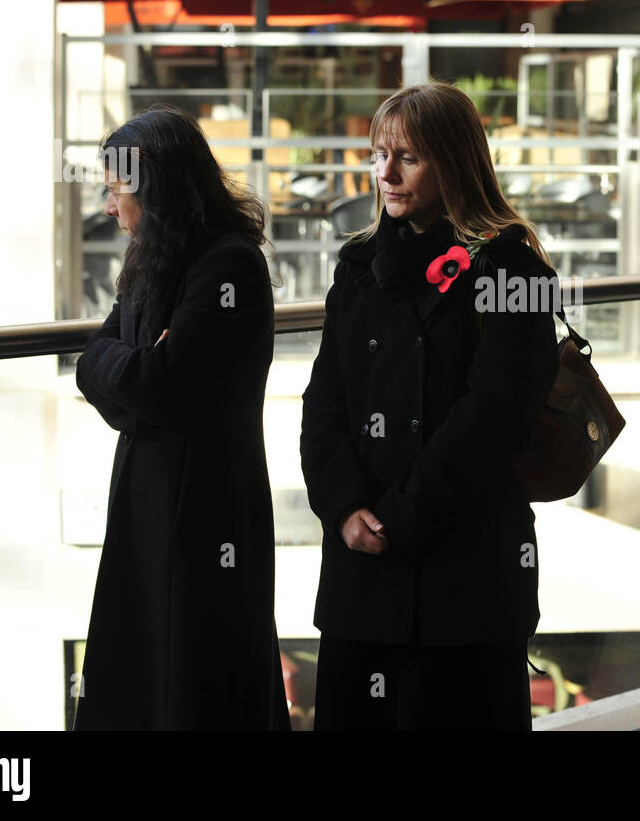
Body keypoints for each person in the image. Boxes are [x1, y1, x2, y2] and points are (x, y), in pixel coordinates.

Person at [301, 82, 559, 731]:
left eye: (407, 157)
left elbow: (496, 414)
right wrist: (344, 507)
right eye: (379, 154)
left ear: (453, 162)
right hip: (363, 574)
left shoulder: (511, 271)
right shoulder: (358, 266)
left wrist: (395, 517)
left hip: (462, 576)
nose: (385, 173)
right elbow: (323, 400)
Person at [74, 104, 289, 730]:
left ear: (156, 188)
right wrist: (137, 371)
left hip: (205, 506)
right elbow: (96, 364)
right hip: (150, 494)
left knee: (198, 672)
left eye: (117, 191)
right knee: (145, 663)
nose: (109, 208)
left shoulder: (229, 266)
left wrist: (137, 375)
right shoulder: (153, 259)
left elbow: (156, 384)